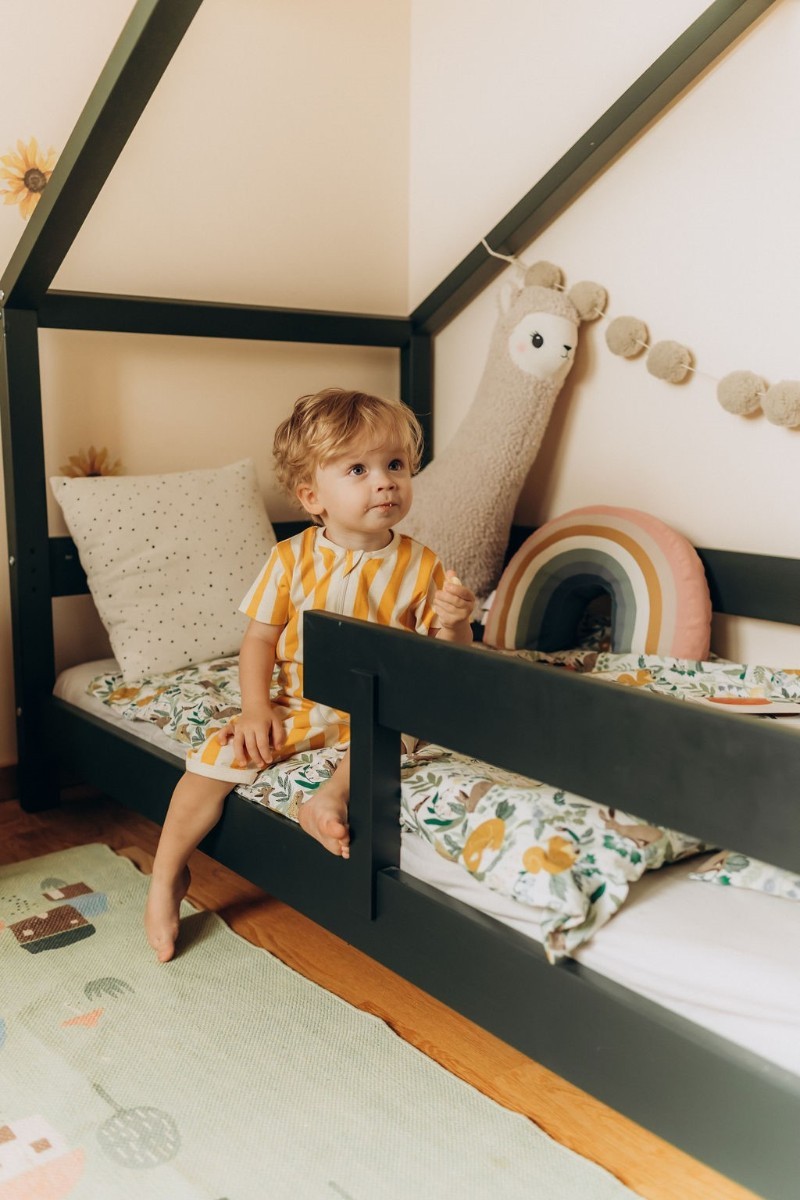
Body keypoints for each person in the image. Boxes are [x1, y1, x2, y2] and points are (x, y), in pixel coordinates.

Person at [144, 387, 475, 961]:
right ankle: (168, 874)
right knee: (217, 757)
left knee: (397, 733)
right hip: (298, 702)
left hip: (377, 706)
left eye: (396, 464)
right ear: (312, 496)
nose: (385, 482)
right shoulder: (290, 558)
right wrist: (256, 708)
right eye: (358, 469)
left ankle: (327, 800)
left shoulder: (422, 565)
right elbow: (259, 640)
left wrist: (456, 622)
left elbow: (444, 659)